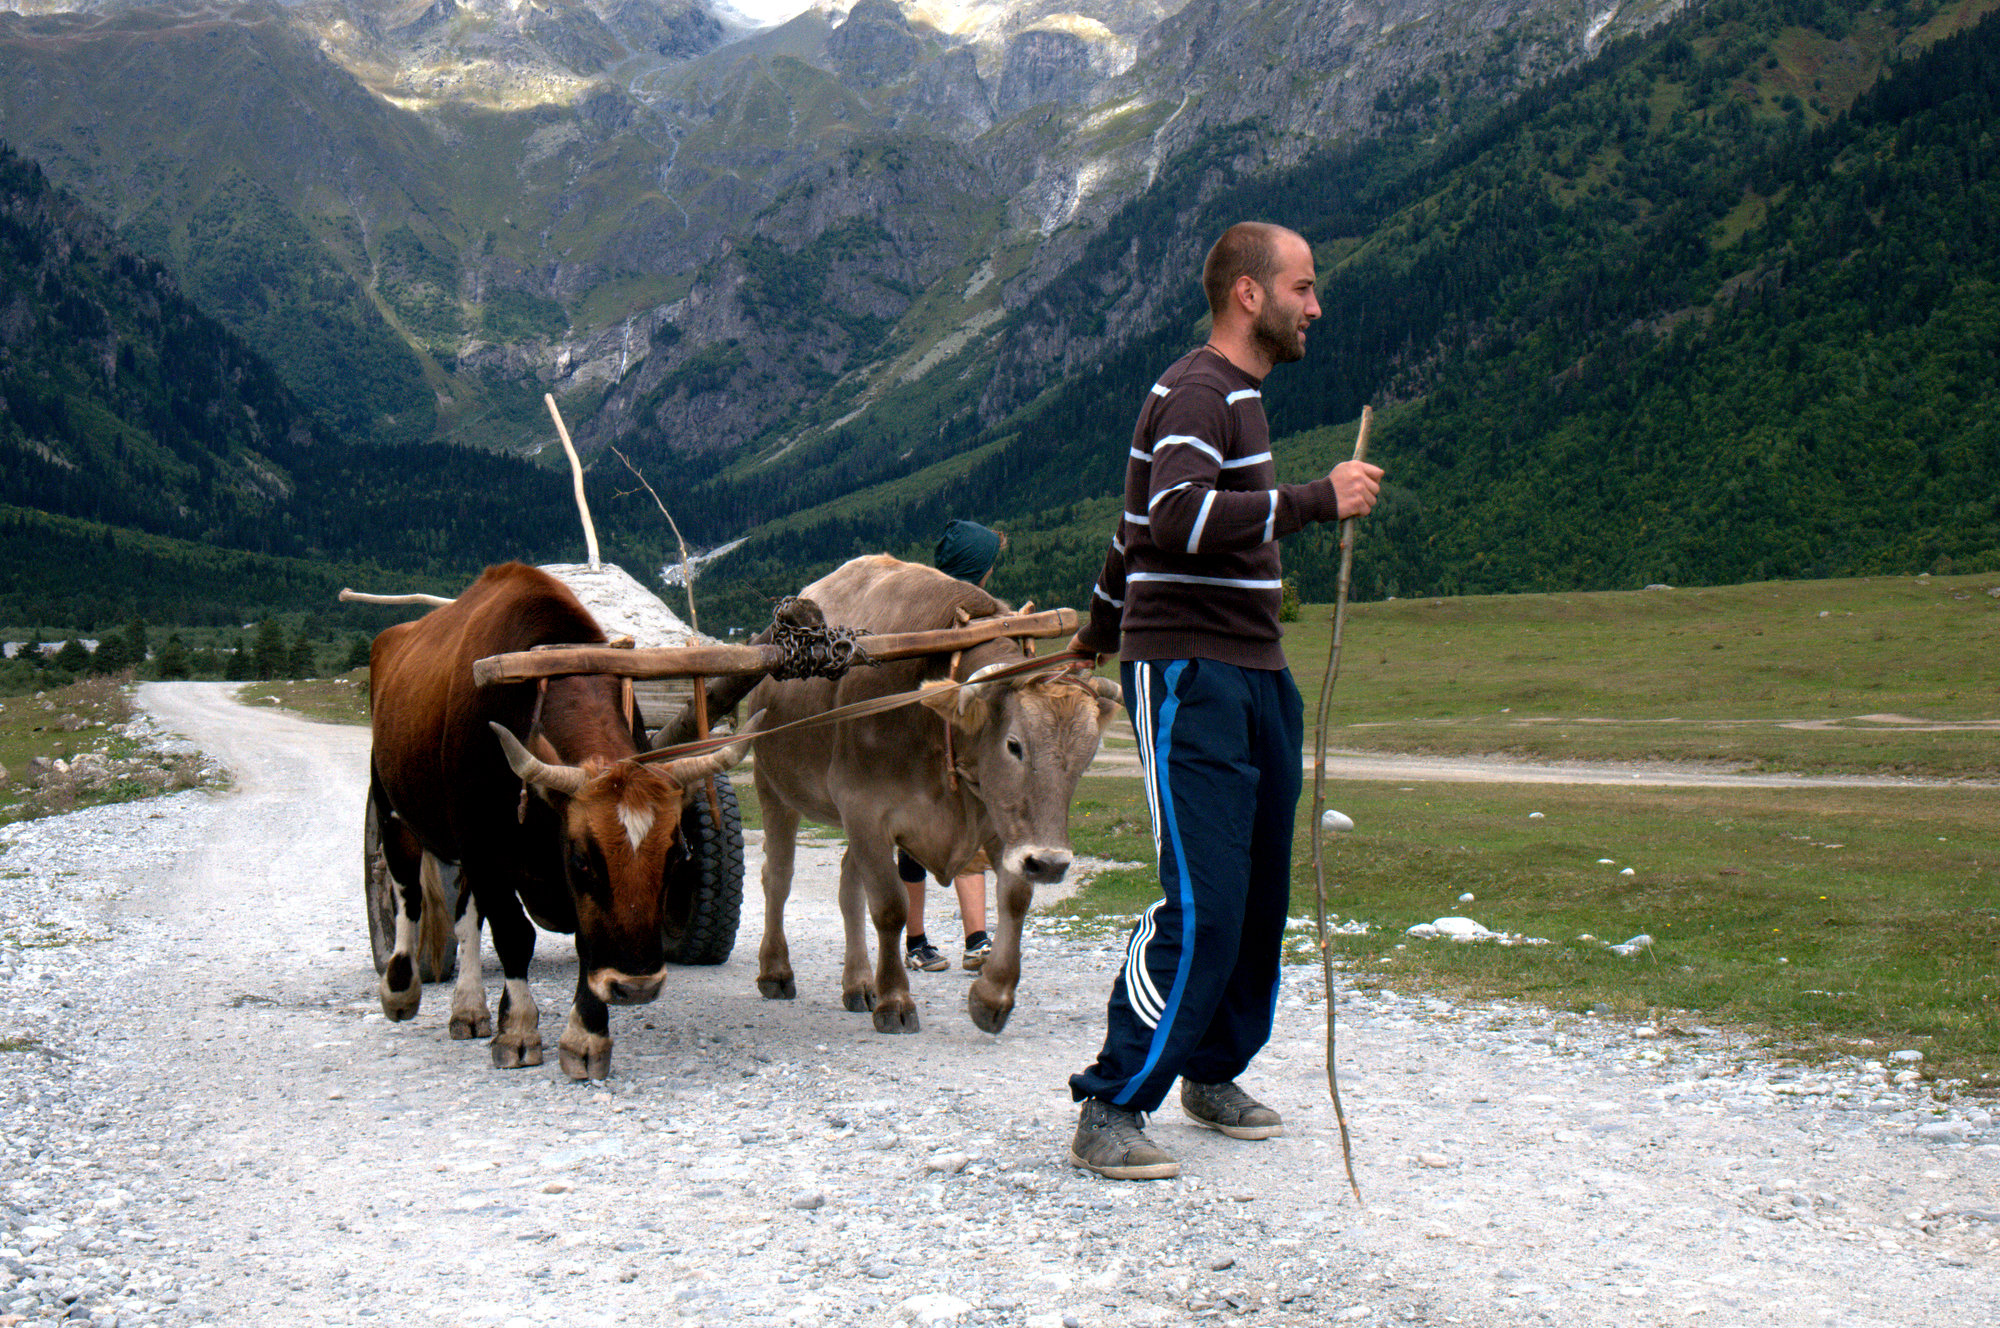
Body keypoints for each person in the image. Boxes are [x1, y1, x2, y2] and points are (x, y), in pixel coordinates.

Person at [1062, 221, 1384, 1180]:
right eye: (1303, 287)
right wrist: (1318, 498)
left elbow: (1130, 536)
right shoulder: (1202, 388)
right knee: (1204, 902)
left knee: (1255, 899)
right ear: (1249, 293)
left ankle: (1209, 1068)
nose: (1314, 306)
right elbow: (1177, 519)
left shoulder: (1233, 394)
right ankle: (1111, 1103)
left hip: (1251, 669)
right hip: (1194, 675)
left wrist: (1098, 626)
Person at [900, 519, 1004, 973]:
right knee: (930, 839)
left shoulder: (929, 611)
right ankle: (942, 938)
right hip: (930, 743)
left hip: (947, 745)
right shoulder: (981, 614)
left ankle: (949, 938)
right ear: (982, 571)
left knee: (939, 838)